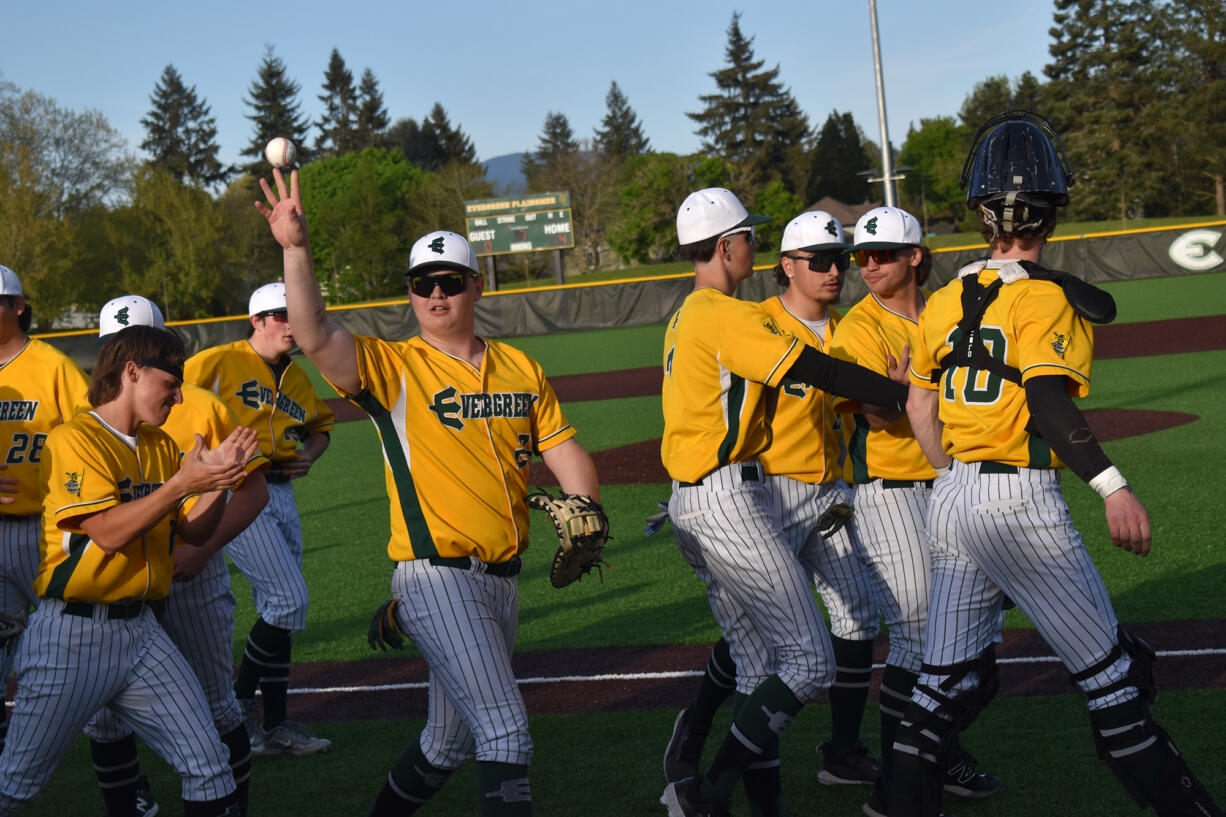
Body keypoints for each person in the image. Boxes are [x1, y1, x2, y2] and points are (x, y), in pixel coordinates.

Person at [894, 111, 1224, 817]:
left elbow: (921, 407)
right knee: (1116, 681)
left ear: (981, 212)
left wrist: (952, 472)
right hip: (1020, 504)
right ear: (1051, 209)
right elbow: (1046, 398)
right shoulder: (1045, 297)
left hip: (950, 497)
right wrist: (1113, 484)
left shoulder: (943, 299)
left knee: (936, 688)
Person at [254, 168, 601, 816]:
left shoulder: (520, 367)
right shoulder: (395, 367)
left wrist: (586, 510)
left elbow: (562, 448)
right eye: (422, 283)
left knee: (446, 741)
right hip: (438, 577)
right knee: (506, 729)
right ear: (411, 294)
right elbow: (314, 333)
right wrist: (296, 250)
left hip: (501, 580)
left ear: (476, 284)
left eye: (448, 280)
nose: (435, 294)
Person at [659, 188, 910, 817]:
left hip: (699, 500)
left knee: (757, 668)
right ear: (725, 247)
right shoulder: (727, 314)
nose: (751, 245)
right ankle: (708, 794)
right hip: (731, 498)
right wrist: (906, 395)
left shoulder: (686, 313)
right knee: (807, 659)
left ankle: (747, 803)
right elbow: (821, 372)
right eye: (747, 236)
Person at [0, 324, 258, 816]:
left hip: (143, 631)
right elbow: (109, 533)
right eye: (172, 379)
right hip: (72, 637)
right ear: (132, 371)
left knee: (209, 766)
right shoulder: (75, 437)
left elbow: (197, 535)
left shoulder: (159, 445)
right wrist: (184, 484)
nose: (180, 395)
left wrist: (218, 482)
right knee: (13, 787)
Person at [830, 205, 1001, 816]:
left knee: (974, 635)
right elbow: (878, 415)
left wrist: (913, 387)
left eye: (882, 254)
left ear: (915, 257)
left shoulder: (947, 312)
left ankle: (938, 752)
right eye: (861, 257)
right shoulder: (857, 328)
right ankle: (893, 789)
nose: (868, 265)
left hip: (953, 483)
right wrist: (908, 394)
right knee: (916, 631)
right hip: (892, 490)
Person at [84, 296, 269, 817]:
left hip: (192, 577)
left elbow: (253, 492)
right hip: (121, 588)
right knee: (106, 717)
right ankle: (129, 803)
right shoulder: (88, 417)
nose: (124, 357)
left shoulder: (200, 405)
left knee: (214, 702)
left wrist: (203, 548)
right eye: (115, 348)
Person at [184, 283, 335, 756]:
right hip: (235, 491)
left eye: (297, 315)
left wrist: (309, 454)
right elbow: (170, 404)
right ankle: (239, 705)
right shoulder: (216, 361)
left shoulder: (296, 375)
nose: (291, 324)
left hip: (282, 491)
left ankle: (278, 724)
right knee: (289, 599)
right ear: (257, 321)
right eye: (280, 315)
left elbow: (322, 428)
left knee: (282, 610)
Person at [0, 265, 90, 755]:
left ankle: (121, 774)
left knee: (80, 648)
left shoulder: (53, 366)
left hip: (44, 531)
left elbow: (90, 438)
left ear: (18, 306)